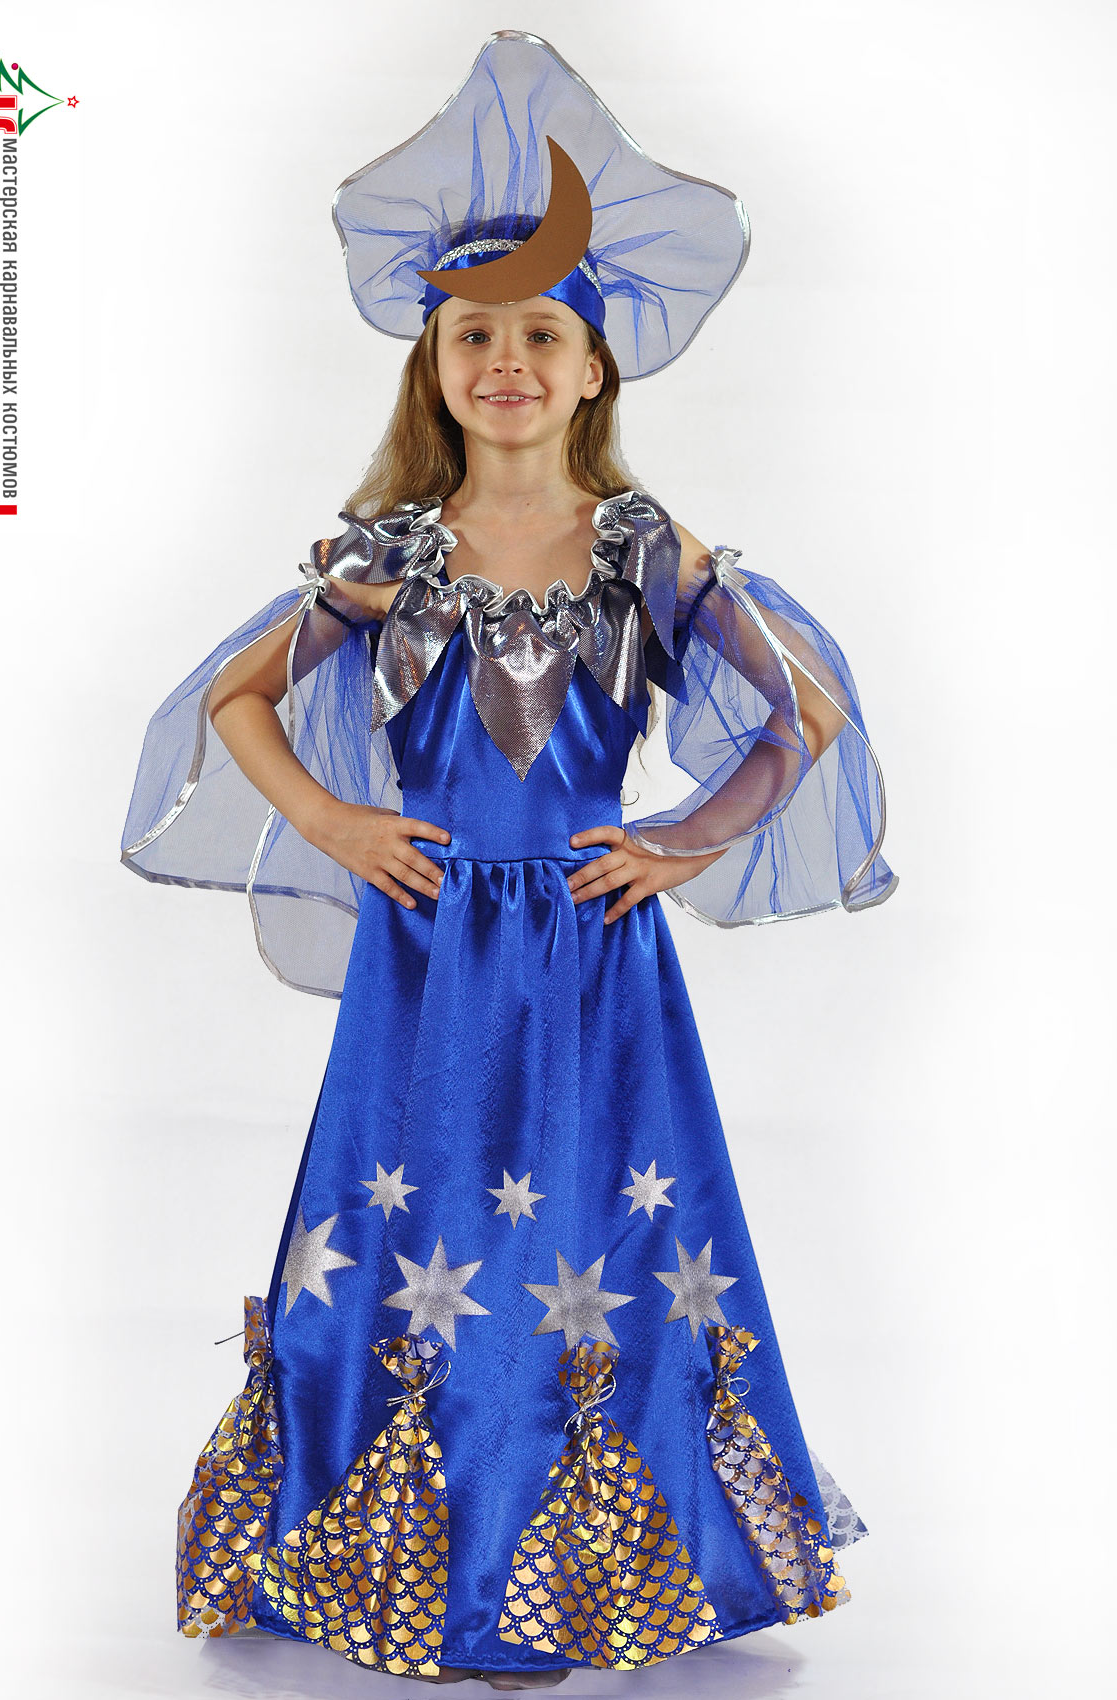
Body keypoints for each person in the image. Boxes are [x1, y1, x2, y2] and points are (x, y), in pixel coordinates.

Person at [121, 31, 893, 1690]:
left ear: (597, 366)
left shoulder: (645, 552)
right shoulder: (390, 555)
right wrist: (333, 822)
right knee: (423, 1227)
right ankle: (417, 1555)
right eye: (474, 332)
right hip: (426, 961)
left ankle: (591, 1568)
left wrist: (683, 838)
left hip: (595, 956)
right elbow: (236, 696)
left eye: (543, 331)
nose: (508, 360)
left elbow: (807, 710)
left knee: (588, 1233)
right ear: (433, 363)